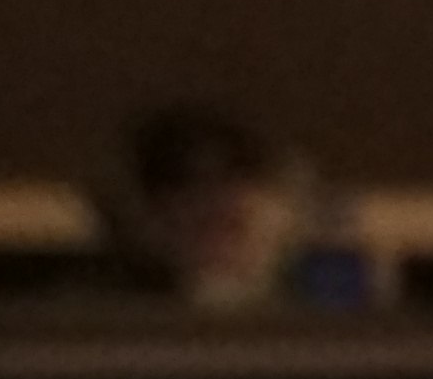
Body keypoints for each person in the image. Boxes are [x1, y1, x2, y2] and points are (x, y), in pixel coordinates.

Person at [98, 106, 290, 305]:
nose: (211, 196)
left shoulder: (306, 297)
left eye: (236, 173)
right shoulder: (107, 309)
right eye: (181, 179)